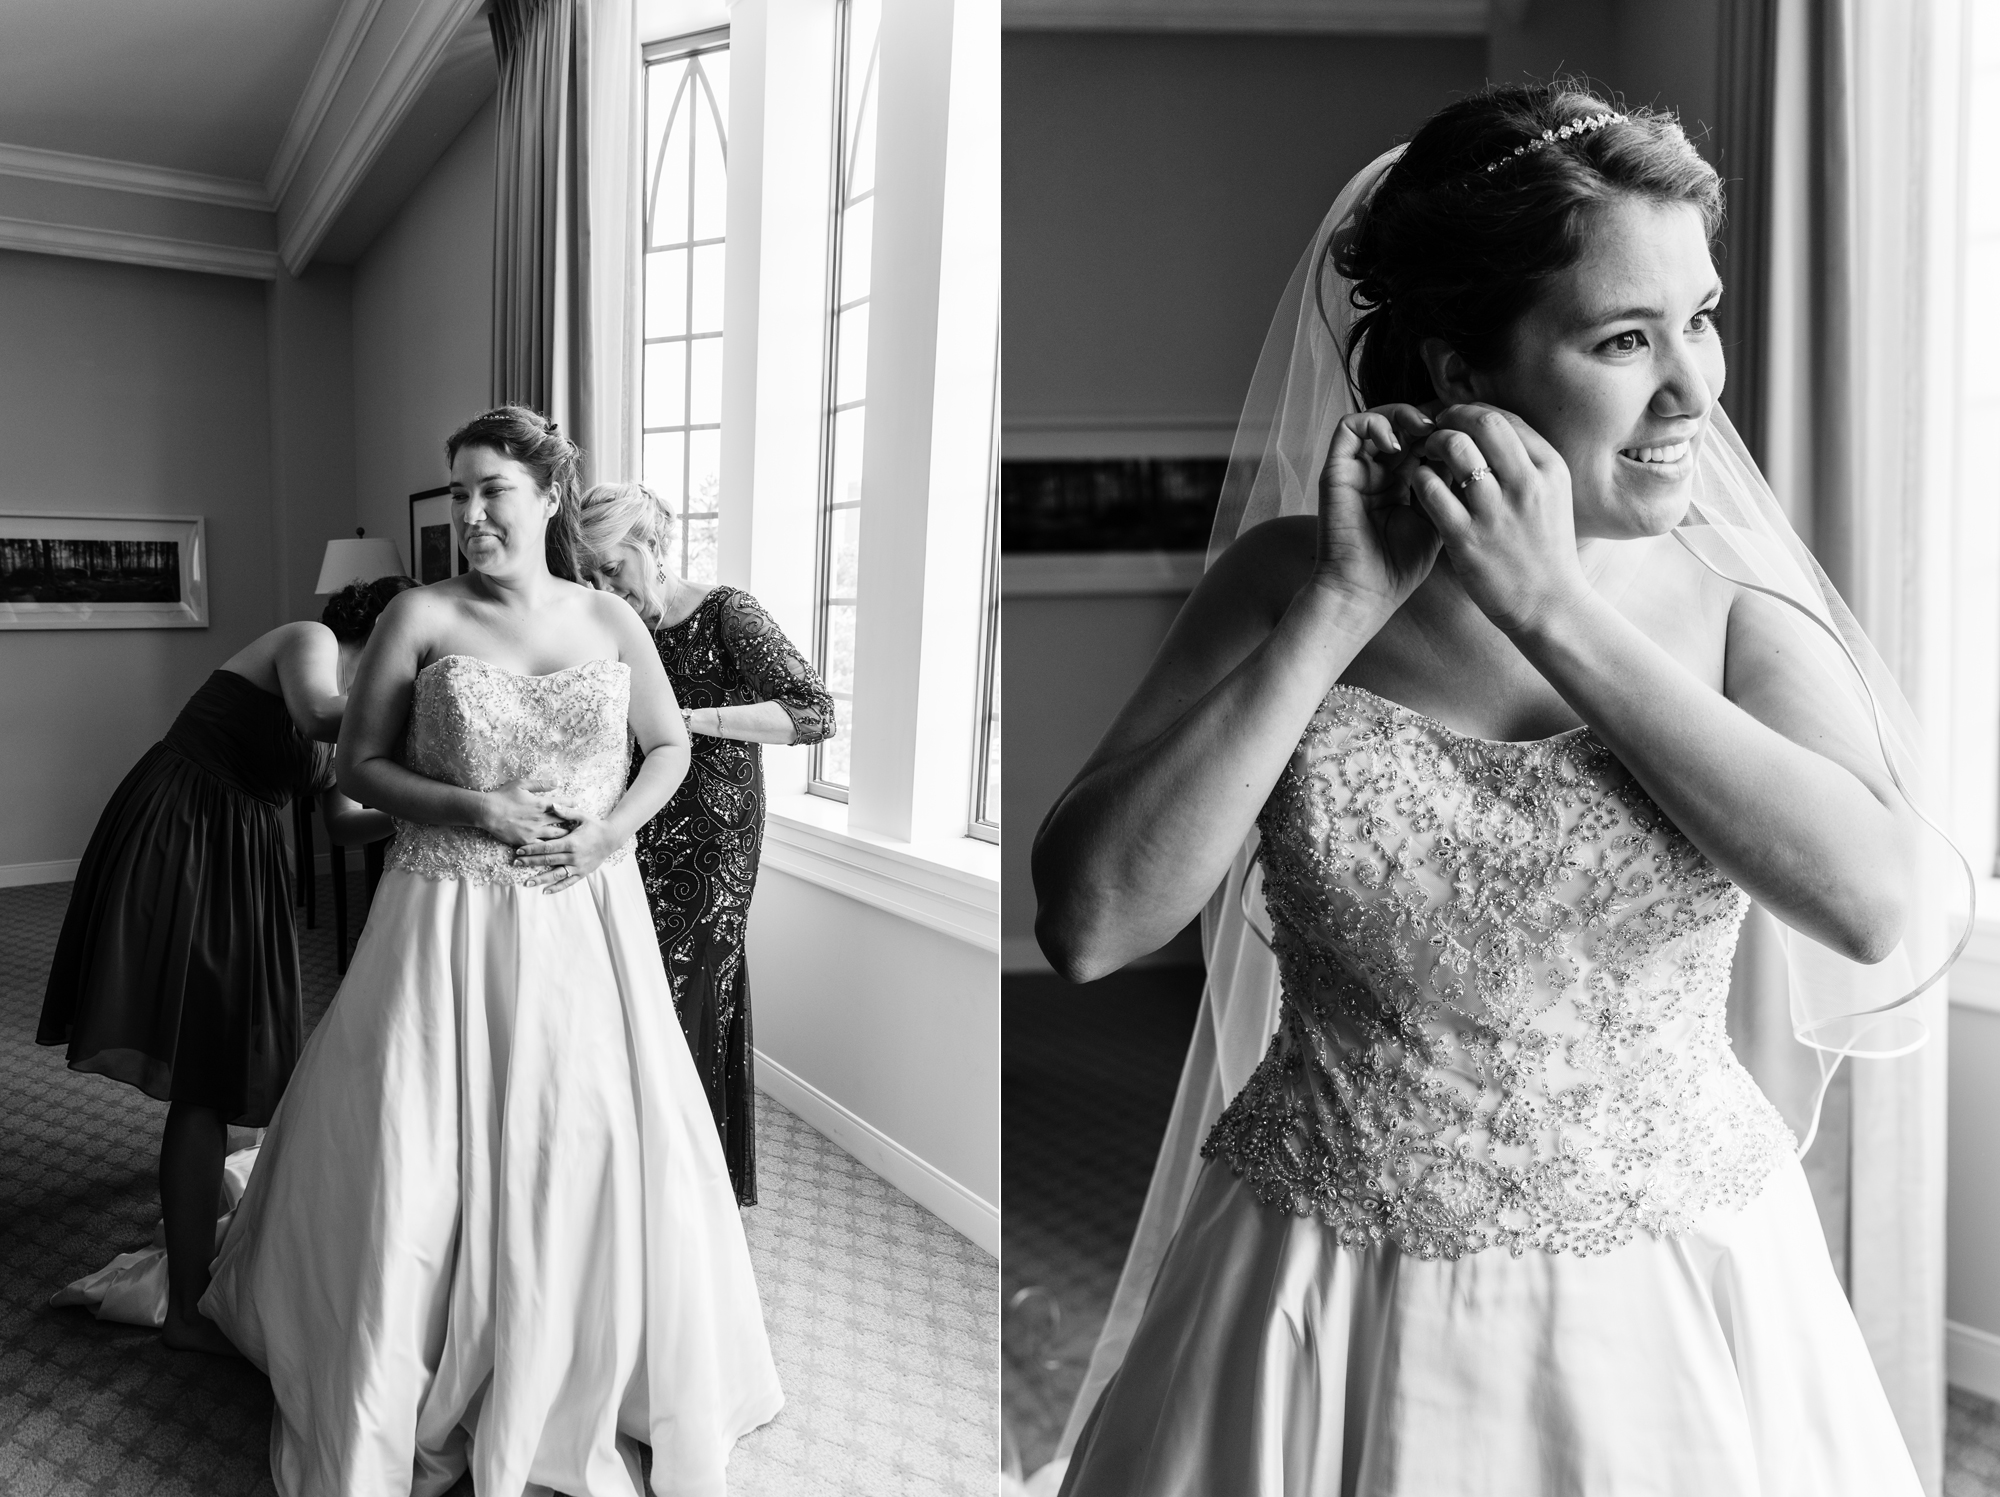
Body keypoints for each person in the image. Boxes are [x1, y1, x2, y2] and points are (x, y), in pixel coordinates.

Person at [1033, 83, 1943, 1495]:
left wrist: (1557, 611)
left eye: (1700, 317)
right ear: (1463, 369)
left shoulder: (1733, 610)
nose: (1696, 385)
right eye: (1624, 339)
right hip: (1311, 1285)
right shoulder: (1282, 586)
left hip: (1668, 1293)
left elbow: (1878, 907)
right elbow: (1091, 924)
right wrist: (1333, 610)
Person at [201, 407, 782, 1496]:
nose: (468, 512)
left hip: (584, 917)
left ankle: (581, 1364)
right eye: (458, 491)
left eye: (489, 492)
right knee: (420, 1138)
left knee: (589, 1132)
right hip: (447, 914)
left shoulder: (611, 619)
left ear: (550, 496)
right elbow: (361, 770)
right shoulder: (422, 615)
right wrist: (472, 808)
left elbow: (662, 746)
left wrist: (611, 833)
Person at [38, 576, 409, 1355]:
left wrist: (423, 807)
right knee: (207, 1069)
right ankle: (184, 1315)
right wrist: (424, 708)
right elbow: (315, 714)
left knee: (229, 1060)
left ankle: (190, 1237)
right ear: (379, 629)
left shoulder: (357, 711)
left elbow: (343, 823)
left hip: (239, 850)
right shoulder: (308, 643)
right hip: (184, 830)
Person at [577, 481, 834, 1205]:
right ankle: (631, 1164)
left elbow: (812, 713)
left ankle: (690, 1182)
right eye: (589, 574)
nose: (603, 586)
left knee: (694, 984)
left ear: (650, 546)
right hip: (633, 823)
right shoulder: (605, 624)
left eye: (611, 567)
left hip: (714, 840)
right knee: (630, 986)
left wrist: (689, 719)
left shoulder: (727, 613)